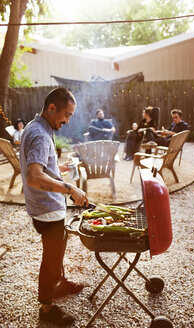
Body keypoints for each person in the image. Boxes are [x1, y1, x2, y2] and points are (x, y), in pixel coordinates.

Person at [19, 87, 88, 327]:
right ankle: (47, 308)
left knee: (58, 250)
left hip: (44, 206)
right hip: (47, 210)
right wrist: (70, 188)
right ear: (51, 108)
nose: (68, 121)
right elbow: (34, 177)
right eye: (66, 115)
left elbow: (42, 167)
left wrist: (59, 170)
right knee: (51, 259)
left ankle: (60, 283)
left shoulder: (34, 126)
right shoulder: (40, 134)